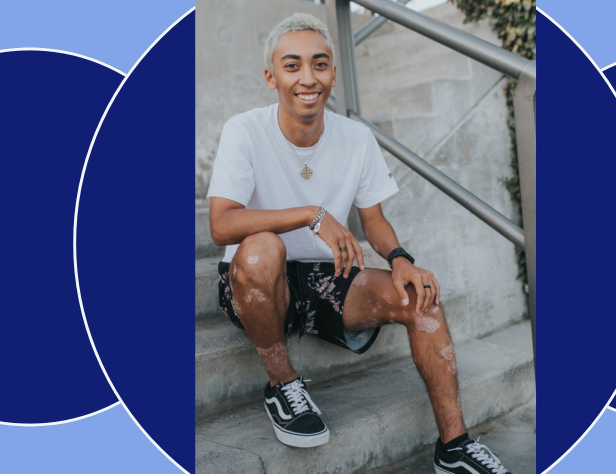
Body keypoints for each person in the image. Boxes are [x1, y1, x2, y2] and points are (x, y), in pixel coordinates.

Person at [207, 12, 513, 474]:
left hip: (326, 278)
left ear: (333, 73)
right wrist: (313, 216)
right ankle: (282, 383)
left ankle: (454, 447)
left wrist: (401, 258)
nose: (308, 78)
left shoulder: (356, 137)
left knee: (420, 298)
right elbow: (221, 224)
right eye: (292, 66)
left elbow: (374, 220)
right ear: (271, 76)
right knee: (263, 246)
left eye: (320, 64)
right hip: (255, 279)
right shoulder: (244, 130)